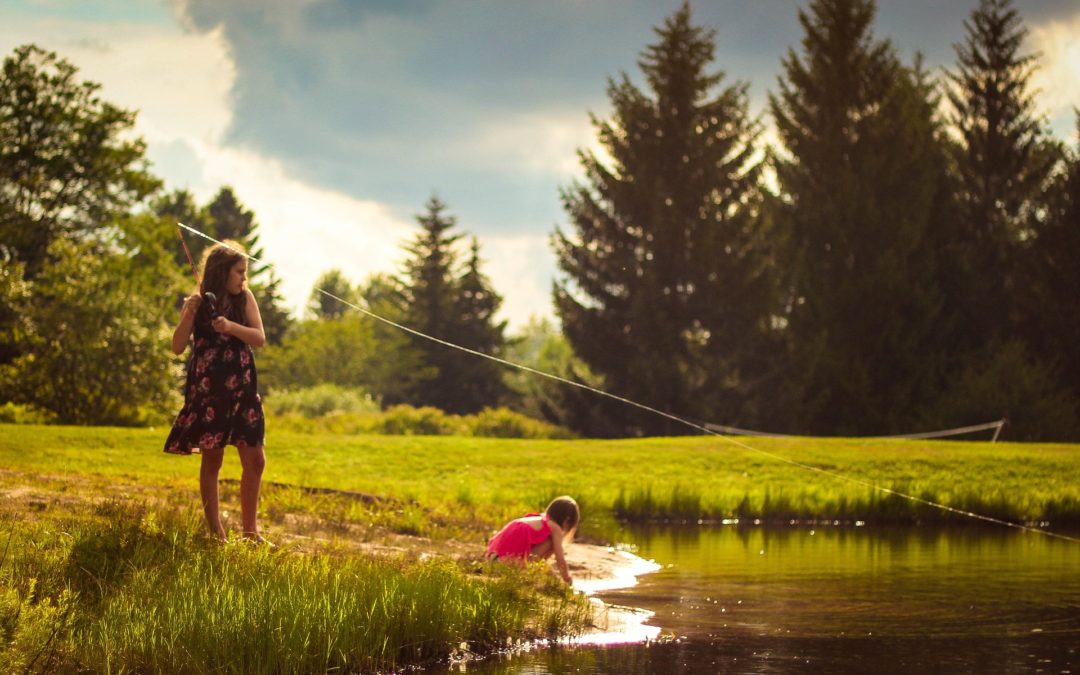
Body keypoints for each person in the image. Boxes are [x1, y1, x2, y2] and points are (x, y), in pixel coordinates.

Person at [164, 241, 268, 544]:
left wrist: (231, 327)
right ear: (222, 272)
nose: (243, 279)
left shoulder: (245, 298)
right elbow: (177, 346)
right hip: (210, 392)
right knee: (212, 460)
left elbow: (259, 338)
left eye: (245, 273)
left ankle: (251, 533)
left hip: (243, 390)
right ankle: (216, 533)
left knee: (256, 460)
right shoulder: (199, 302)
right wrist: (188, 315)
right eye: (239, 272)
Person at [485, 496, 579, 584]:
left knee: (543, 559)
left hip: (492, 559)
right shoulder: (554, 527)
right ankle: (533, 573)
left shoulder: (538, 520)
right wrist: (567, 579)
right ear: (567, 520)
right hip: (507, 563)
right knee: (551, 544)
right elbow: (560, 559)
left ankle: (536, 573)